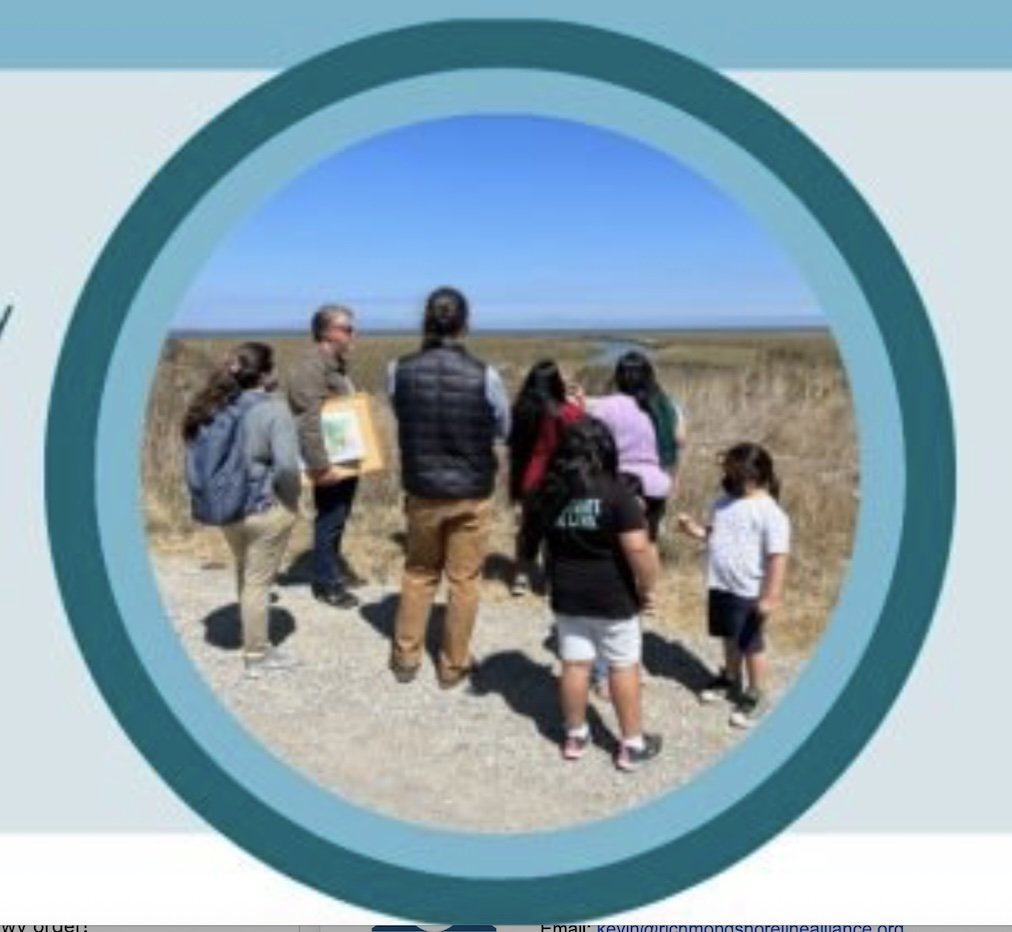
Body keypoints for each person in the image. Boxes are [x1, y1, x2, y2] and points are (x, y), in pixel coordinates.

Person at [387, 287, 510, 688]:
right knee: (464, 580)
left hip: (422, 488)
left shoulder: (397, 369)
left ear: (426, 320)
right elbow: (504, 427)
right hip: (471, 491)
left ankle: (406, 656)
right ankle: (453, 664)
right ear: (465, 323)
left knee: (419, 571)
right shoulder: (485, 374)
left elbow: (402, 412)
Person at [532, 416, 662, 771]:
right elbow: (638, 549)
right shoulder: (617, 493)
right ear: (605, 449)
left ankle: (575, 735)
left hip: (567, 595)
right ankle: (632, 745)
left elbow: (543, 545)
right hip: (613, 597)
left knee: (575, 664)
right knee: (623, 665)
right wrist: (648, 587)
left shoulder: (551, 492)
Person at [182, 342, 301, 678]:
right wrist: (292, 501)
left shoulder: (216, 406)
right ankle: (257, 655)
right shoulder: (274, 411)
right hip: (265, 508)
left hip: (229, 508)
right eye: (273, 366)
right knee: (259, 582)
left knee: (246, 572)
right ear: (265, 374)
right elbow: (287, 466)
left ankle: (251, 635)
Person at [677, 442, 791, 728]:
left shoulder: (770, 513)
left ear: (753, 475)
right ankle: (729, 677)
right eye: (726, 472)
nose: (727, 478)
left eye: (732, 473)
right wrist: (694, 530)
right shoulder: (723, 502)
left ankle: (756, 692)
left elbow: (777, 557)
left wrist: (771, 597)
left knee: (750, 644)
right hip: (720, 583)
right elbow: (715, 534)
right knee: (728, 636)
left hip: (748, 590)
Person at [287, 304, 362, 609]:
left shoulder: (334, 364)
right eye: (347, 329)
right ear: (327, 332)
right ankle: (327, 584)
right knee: (329, 519)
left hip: (343, 456)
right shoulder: (311, 367)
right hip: (328, 461)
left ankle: (331, 574)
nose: (352, 334)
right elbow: (309, 420)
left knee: (337, 518)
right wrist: (320, 466)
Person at [589, 350, 685, 542]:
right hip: (657, 482)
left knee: (619, 542)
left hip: (620, 484)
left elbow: (592, 440)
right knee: (650, 539)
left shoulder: (608, 406)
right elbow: (681, 440)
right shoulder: (667, 405)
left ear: (619, 377)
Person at [507, 360, 584, 596]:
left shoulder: (522, 409)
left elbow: (514, 446)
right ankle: (552, 579)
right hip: (561, 478)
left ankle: (521, 576)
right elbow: (583, 434)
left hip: (531, 476)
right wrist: (579, 402)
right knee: (558, 530)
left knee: (529, 528)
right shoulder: (566, 412)